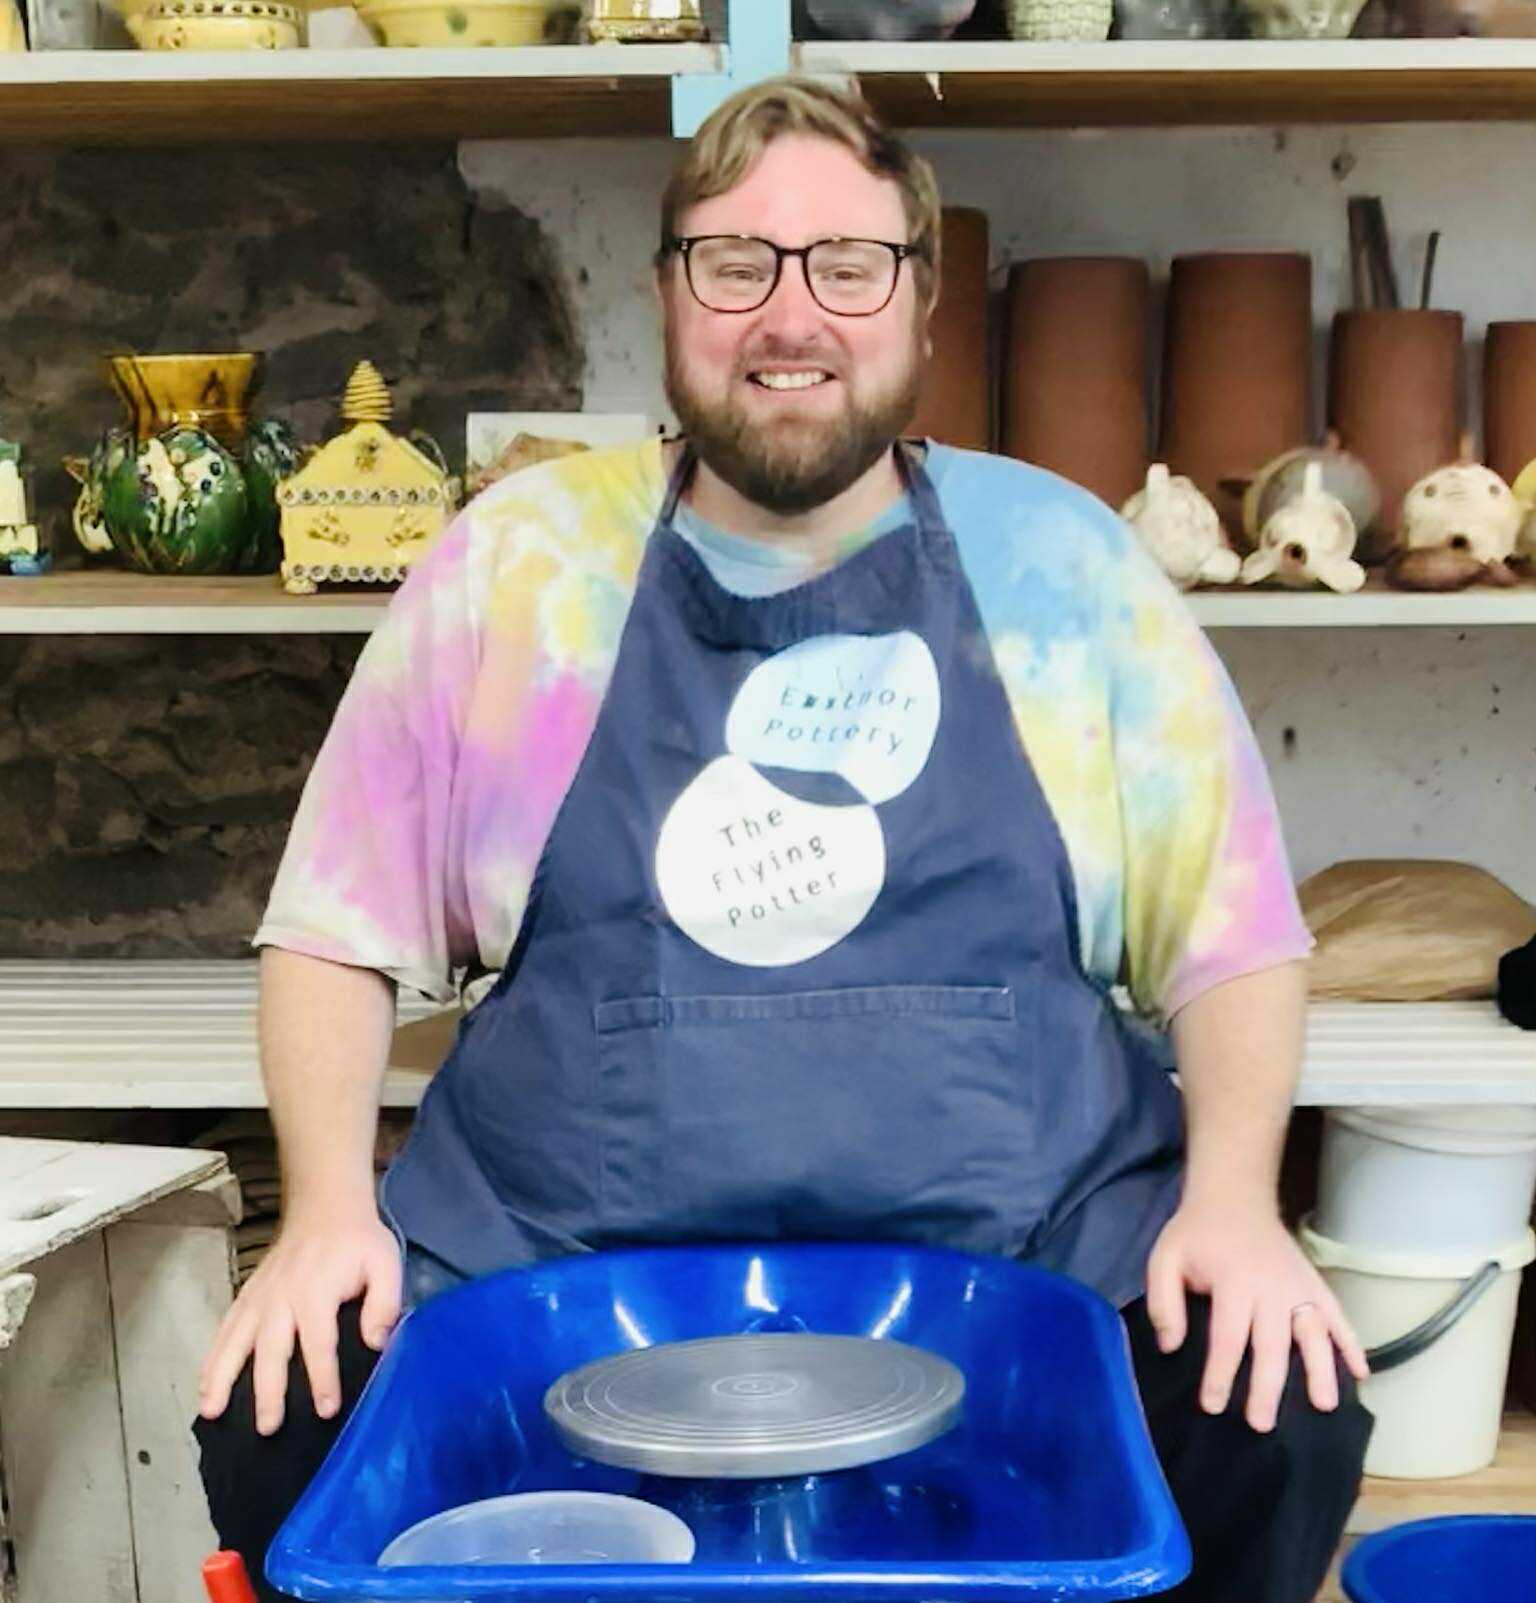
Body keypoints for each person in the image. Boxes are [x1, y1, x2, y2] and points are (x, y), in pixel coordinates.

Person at [195, 74, 1372, 1603]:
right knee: (284, 1421)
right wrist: (328, 1218)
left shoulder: (1064, 565)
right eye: (736, 263)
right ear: (669, 294)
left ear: (921, 302)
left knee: (1275, 1410)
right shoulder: (519, 569)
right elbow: (332, 934)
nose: (790, 316)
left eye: (848, 264)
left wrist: (1230, 1207)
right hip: (564, 1270)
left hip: (1025, 1262)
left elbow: (1235, 939)